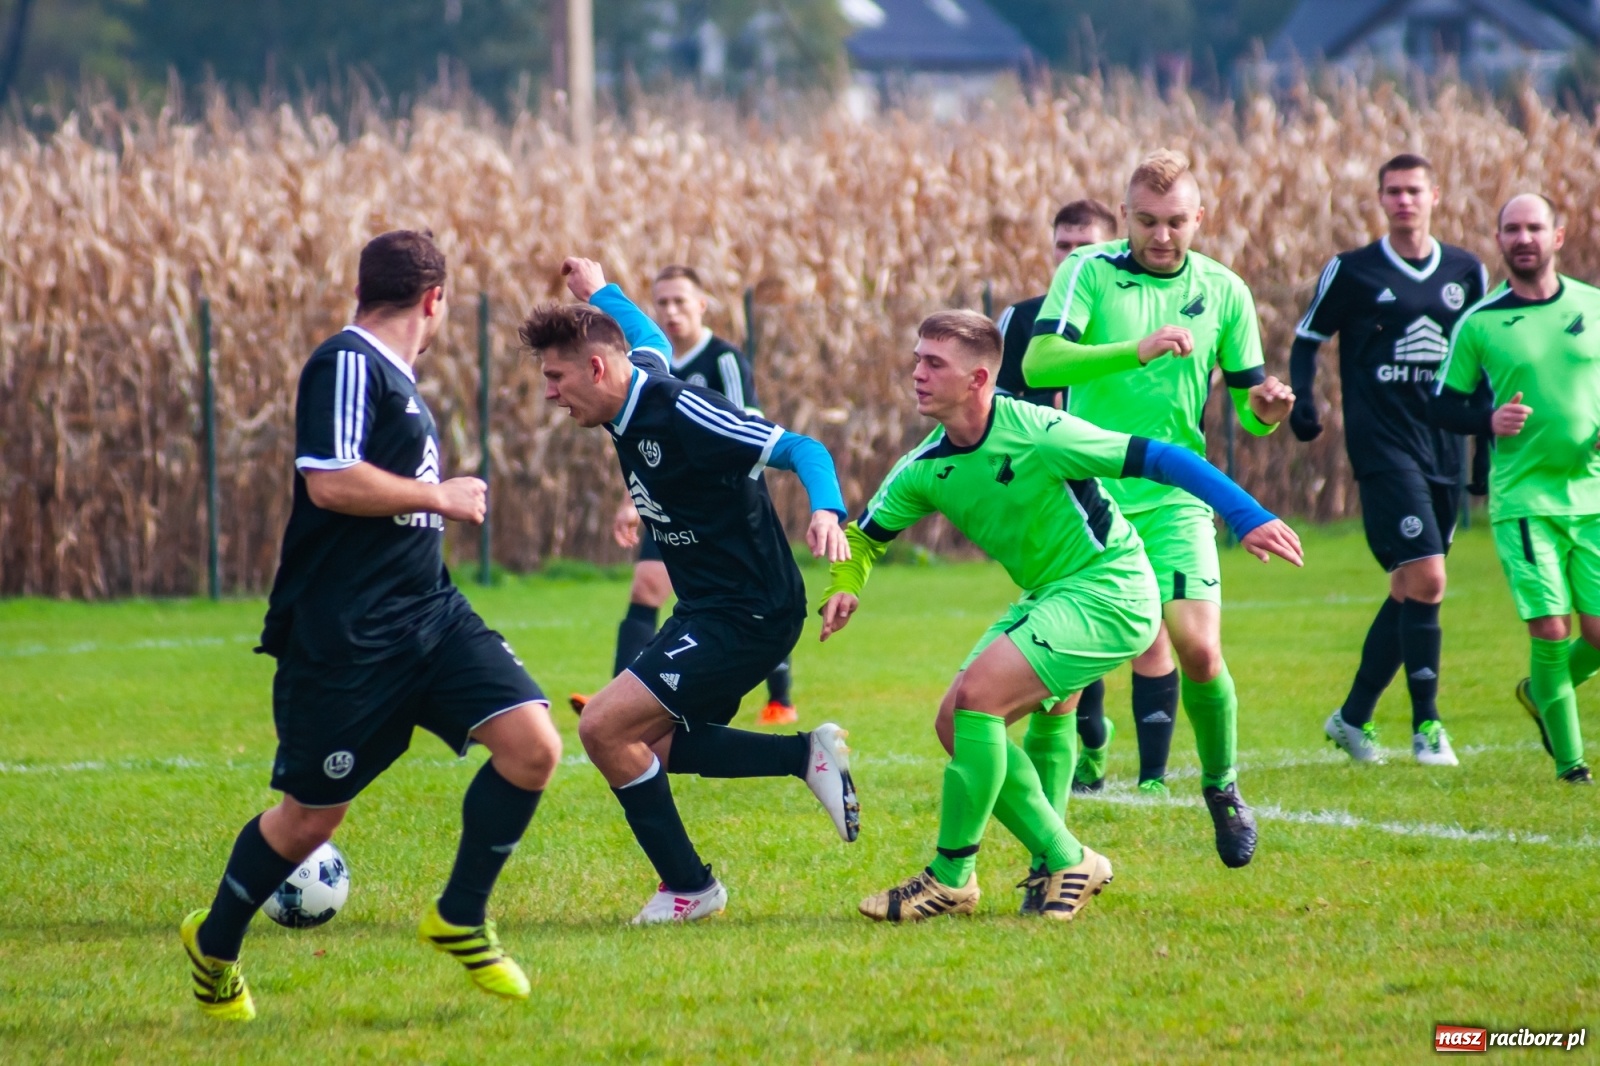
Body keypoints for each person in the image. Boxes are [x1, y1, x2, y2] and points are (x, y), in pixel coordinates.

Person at [181, 231, 562, 1020]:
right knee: (311, 818)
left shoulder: (395, 376)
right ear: (434, 300)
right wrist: (440, 497)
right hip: (346, 634)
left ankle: (460, 916)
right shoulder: (347, 361)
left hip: (430, 615)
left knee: (533, 746)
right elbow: (328, 480)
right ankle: (214, 947)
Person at [821, 310, 1301, 923]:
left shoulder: (1041, 431)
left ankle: (968, 873)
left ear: (978, 379)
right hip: (1054, 595)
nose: (916, 373)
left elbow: (1162, 458)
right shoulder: (925, 467)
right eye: (917, 359)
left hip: (1113, 590)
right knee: (955, 721)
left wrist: (1245, 514)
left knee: (977, 701)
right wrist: (846, 584)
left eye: (933, 363)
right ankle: (1045, 869)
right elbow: (865, 537)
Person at [522, 258, 860, 923]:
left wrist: (826, 510)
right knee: (647, 741)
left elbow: (802, 448)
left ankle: (690, 887)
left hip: (749, 610)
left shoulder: (681, 410)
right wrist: (599, 292)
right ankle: (803, 755)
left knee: (603, 726)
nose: (550, 395)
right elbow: (644, 332)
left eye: (555, 378)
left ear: (595, 370)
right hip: (709, 607)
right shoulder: (637, 379)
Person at [1022, 150, 1294, 868]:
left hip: (1174, 495)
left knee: (1200, 649)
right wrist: (1132, 351)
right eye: (1147, 221)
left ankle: (1222, 787)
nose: (1162, 235)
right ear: (1124, 215)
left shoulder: (1225, 290)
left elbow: (1250, 402)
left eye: (1177, 222)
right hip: (1089, 494)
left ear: (1199, 218)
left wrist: (1267, 410)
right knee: (1059, 682)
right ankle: (1051, 851)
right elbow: (1039, 364)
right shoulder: (1088, 271)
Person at [1290, 153, 1488, 767]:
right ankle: (1428, 727)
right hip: (1382, 445)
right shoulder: (1352, 271)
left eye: (1414, 191)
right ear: (1380, 199)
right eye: (1394, 191)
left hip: (1443, 447)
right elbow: (1307, 340)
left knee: (1410, 588)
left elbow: (1478, 361)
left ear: (1435, 195)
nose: (1405, 201)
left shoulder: (1466, 271)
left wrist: (1484, 445)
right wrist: (1305, 402)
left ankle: (1351, 719)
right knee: (1428, 577)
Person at [570, 265, 799, 726]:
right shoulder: (647, 361)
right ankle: (620, 694)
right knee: (648, 586)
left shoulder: (723, 359)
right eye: (663, 302)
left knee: (741, 599)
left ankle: (780, 698)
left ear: (702, 305)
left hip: (719, 502)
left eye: (680, 301)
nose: (671, 311)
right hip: (668, 501)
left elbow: (746, 425)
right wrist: (634, 498)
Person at [1433, 193, 1599, 785]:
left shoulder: (1593, 306)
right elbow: (1443, 406)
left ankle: (1541, 691)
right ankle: (1571, 765)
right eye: (1512, 229)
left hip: (1592, 497)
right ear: (1499, 241)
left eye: (1534, 227)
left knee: (1598, 636)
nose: (1523, 238)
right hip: (1525, 501)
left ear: (1558, 235)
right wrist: (1489, 421)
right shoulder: (1480, 322)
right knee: (1551, 626)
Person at [995, 199, 1120, 407]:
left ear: (1113, 250)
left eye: (1085, 246)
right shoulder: (1020, 317)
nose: (1073, 255)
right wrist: (1052, 403)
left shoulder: (1133, 312)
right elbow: (993, 402)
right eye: (1064, 246)